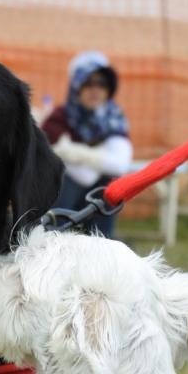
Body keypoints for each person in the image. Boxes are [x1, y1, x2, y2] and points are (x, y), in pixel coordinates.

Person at [42, 50, 133, 237]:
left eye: (102, 84)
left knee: (109, 187)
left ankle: (103, 244)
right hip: (61, 200)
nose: (95, 90)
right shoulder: (58, 118)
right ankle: (52, 239)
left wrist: (75, 153)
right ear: (76, 86)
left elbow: (119, 164)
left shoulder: (114, 118)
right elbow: (84, 176)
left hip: (96, 206)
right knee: (65, 178)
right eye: (88, 83)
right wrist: (100, 156)